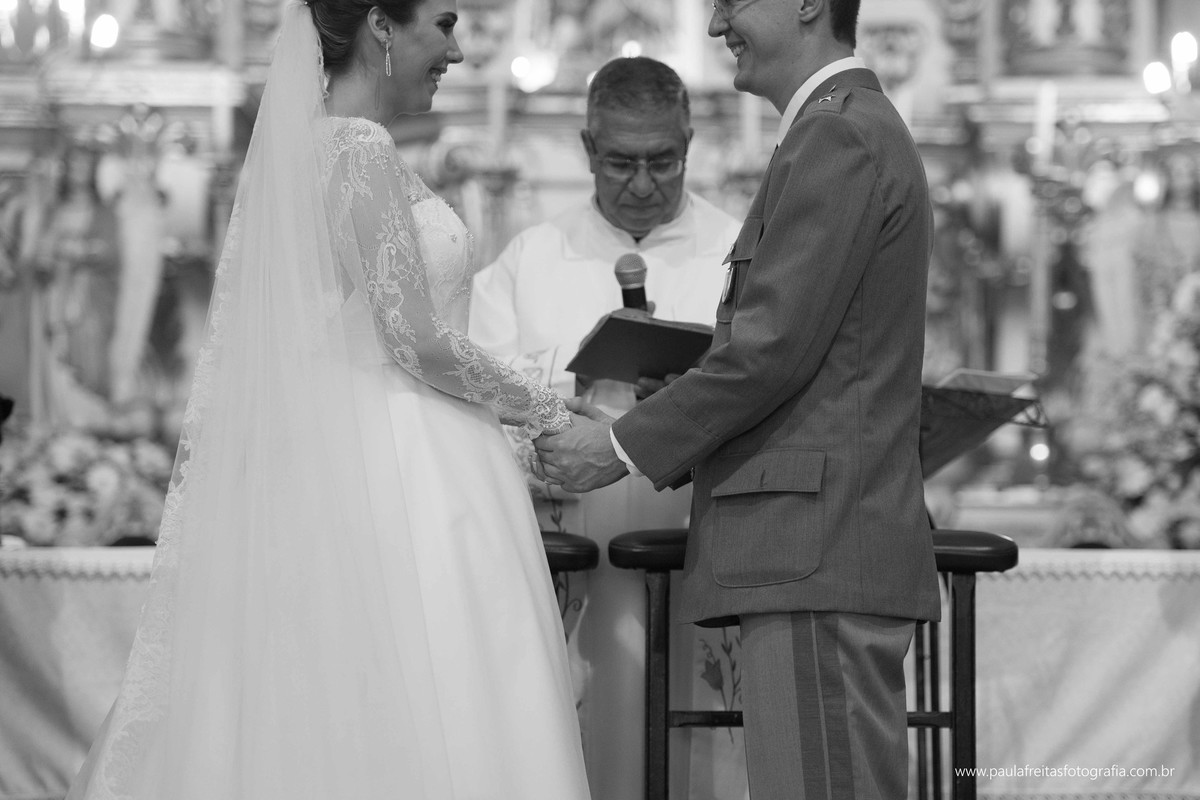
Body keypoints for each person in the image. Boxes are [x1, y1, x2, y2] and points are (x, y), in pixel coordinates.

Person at [67, 1, 590, 798]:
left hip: (364, 450)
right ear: (381, 24)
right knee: (439, 688)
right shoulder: (357, 149)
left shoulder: (319, 150)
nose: (457, 49)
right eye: (443, 24)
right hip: (402, 469)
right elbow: (413, 337)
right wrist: (546, 410)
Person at [534, 0, 941, 798]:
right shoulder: (838, 128)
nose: (718, 24)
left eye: (732, 2)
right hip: (812, 546)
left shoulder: (838, 136)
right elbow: (802, 351)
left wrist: (616, 447)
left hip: (816, 546)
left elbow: (770, 351)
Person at [468, 55, 741, 800]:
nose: (643, 183)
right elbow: (475, 411)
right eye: (621, 162)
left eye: (664, 161)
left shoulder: (740, 252)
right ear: (588, 148)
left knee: (701, 761)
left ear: (690, 144)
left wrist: (691, 401)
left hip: (697, 553)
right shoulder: (530, 259)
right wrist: (567, 398)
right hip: (570, 559)